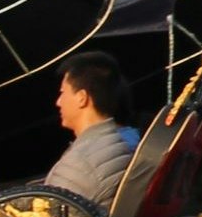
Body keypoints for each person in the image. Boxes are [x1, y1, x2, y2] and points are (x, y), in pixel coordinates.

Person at [37, 53, 139, 207]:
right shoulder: (121, 143)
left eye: (63, 93)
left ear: (82, 98)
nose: (58, 102)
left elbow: (52, 215)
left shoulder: (79, 164)